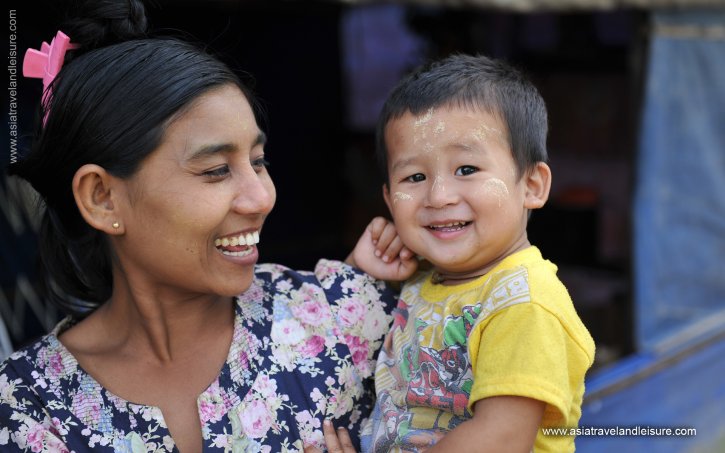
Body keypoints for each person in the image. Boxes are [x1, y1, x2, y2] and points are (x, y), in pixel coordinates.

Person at [0, 1, 418, 452]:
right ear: (102, 197)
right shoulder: (28, 407)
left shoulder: (344, 319)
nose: (262, 198)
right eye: (216, 170)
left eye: (259, 161)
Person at [349, 54, 596, 452]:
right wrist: (362, 270)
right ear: (390, 200)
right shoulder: (420, 276)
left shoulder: (523, 303)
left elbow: (500, 440)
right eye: (414, 177)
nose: (439, 196)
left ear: (532, 185)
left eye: (466, 169)